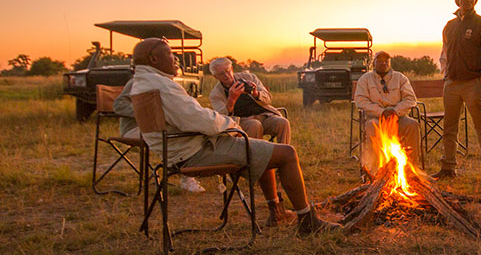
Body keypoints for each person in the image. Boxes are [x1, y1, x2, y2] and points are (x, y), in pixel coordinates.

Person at [129, 38, 340, 233]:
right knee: (286, 153)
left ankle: (277, 211)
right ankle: (308, 222)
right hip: (196, 151)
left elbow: (264, 98)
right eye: (169, 53)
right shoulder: (163, 85)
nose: (175, 58)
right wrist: (231, 122)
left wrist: (254, 93)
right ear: (154, 59)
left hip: (180, 150)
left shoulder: (144, 83)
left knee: (263, 150)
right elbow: (201, 120)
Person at [432, 0, 481, 185]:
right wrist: (445, 73)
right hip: (452, 84)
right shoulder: (449, 26)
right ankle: (448, 167)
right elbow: (444, 52)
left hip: (474, 83)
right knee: (449, 127)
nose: (468, 0)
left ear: (475, 0)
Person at [114, 79, 207, 193]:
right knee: (173, 135)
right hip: (133, 128)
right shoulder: (138, 82)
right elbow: (119, 106)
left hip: (156, 127)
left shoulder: (167, 84)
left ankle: (189, 170)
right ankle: (185, 176)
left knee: (188, 130)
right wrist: (148, 113)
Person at [353, 51, 420, 176]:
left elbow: (410, 99)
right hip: (376, 118)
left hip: (399, 117)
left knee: (413, 125)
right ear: (374, 63)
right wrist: (381, 112)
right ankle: (376, 169)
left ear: (390, 63)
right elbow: (360, 100)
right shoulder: (365, 79)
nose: (383, 63)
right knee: (372, 126)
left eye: (386, 60)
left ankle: (411, 168)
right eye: (380, 60)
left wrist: (395, 111)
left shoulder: (400, 78)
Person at [208, 58, 291, 145]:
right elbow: (222, 117)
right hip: (241, 122)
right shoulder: (215, 94)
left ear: (232, 69)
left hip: (263, 115)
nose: (226, 75)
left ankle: (283, 152)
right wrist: (231, 99)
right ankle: (256, 156)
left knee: (283, 123)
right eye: (221, 74)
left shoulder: (249, 77)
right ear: (216, 77)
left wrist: (256, 93)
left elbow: (268, 98)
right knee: (254, 125)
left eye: (228, 71)